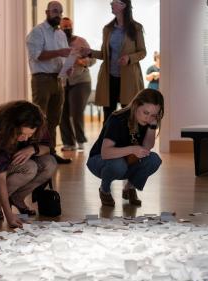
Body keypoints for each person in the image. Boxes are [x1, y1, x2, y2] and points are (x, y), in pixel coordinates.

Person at [0, 101, 57, 229]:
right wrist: (9, 215)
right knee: (30, 167)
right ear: (12, 127)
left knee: (50, 162)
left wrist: (33, 149)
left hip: (17, 169)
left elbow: (48, 147)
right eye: (21, 134)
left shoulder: (37, 122)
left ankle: (17, 197)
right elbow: (0, 177)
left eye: (30, 135)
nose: (26, 139)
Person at [87, 89, 164, 206]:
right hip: (99, 161)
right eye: (146, 113)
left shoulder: (149, 121)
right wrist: (132, 149)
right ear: (136, 105)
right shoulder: (117, 119)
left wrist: (153, 126)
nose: (148, 118)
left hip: (126, 161)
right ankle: (104, 190)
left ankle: (129, 188)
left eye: (153, 115)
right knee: (119, 164)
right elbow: (105, 153)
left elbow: (147, 148)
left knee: (154, 160)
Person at [81, 0, 146, 123]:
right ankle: (106, 141)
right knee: (108, 115)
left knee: (128, 114)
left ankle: (128, 141)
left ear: (123, 5)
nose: (111, 4)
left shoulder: (136, 28)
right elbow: (103, 54)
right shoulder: (108, 29)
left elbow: (142, 52)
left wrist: (129, 58)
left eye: (114, 2)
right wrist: (89, 52)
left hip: (129, 78)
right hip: (109, 77)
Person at [26, 1, 72, 164]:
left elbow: (63, 57)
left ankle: (50, 153)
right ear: (46, 13)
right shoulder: (37, 32)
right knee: (39, 119)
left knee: (54, 119)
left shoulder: (60, 34)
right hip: (42, 79)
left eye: (60, 12)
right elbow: (36, 55)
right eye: (54, 11)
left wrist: (68, 67)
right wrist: (59, 52)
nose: (58, 14)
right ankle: (37, 154)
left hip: (57, 79)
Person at [59, 17, 95, 152]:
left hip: (81, 81)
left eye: (69, 26)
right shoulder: (57, 43)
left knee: (76, 112)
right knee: (62, 113)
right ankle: (68, 143)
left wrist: (82, 62)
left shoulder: (80, 41)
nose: (67, 28)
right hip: (63, 82)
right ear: (59, 28)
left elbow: (92, 59)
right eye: (64, 27)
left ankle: (80, 140)